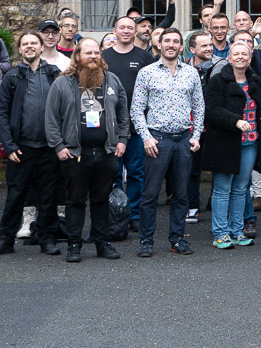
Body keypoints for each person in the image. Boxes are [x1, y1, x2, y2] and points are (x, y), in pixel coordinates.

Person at [45, 37, 128, 262]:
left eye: (96, 53)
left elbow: (123, 114)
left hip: (106, 152)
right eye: (88, 53)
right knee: (76, 201)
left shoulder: (112, 80)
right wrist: (59, 146)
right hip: (75, 154)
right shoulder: (62, 83)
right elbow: (51, 119)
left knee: (102, 200)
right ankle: (74, 245)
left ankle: (103, 243)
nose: (93, 57)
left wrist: (122, 140)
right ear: (77, 56)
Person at [0, 31, 63, 257]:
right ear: (20, 49)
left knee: (49, 196)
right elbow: (1, 111)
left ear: (41, 48)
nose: (29, 47)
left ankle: (47, 238)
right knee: (15, 196)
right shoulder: (12, 77)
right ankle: (5, 240)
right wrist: (9, 145)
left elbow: (65, 109)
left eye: (34, 43)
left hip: (50, 147)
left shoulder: (55, 75)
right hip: (21, 148)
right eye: (25, 44)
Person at [129, 28, 204, 258]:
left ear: (181, 47)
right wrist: (146, 136)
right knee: (150, 194)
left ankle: (177, 239)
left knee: (181, 194)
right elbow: (136, 109)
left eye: (176, 42)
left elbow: (199, 106)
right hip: (157, 140)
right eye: (167, 41)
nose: (171, 45)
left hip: (183, 140)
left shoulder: (191, 73)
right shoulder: (146, 73)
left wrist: (196, 134)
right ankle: (146, 240)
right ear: (159, 45)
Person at [203, 34, 261, 249]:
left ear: (250, 58)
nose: (240, 57)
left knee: (241, 188)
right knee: (222, 189)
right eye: (236, 54)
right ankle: (220, 233)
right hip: (225, 142)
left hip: (250, 143)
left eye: (245, 54)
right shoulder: (218, 80)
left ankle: (237, 231)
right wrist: (235, 121)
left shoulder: (255, 80)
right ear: (229, 58)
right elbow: (211, 111)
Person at [101, 15, 155, 230]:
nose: (125, 31)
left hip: (136, 126)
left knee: (135, 172)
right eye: (121, 27)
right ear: (114, 31)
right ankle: (114, 212)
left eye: (130, 28)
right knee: (111, 172)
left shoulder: (145, 57)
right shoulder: (103, 57)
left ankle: (133, 213)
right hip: (109, 127)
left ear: (135, 32)